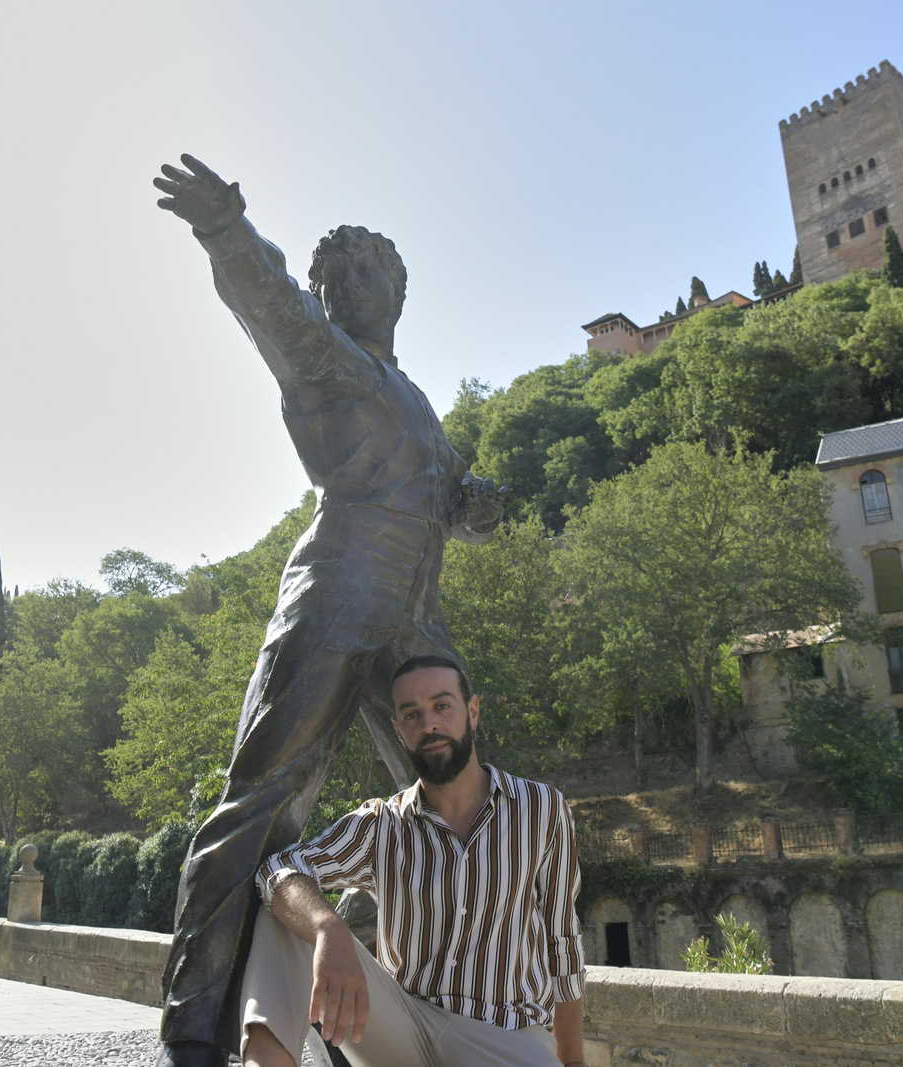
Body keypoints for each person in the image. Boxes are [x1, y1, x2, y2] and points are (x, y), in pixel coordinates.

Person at [150, 156, 508, 1066]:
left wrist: (476, 504)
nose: (355, 284)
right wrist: (226, 230)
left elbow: (449, 492)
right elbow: (267, 300)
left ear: (398, 289)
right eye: (338, 275)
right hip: (337, 596)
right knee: (257, 808)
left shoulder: (417, 401)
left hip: (413, 624)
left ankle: (456, 1001)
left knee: (463, 809)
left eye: (370, 270)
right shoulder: (326, 360)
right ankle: (192, 1031)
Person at [237, 656, 586, 1067]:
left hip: (502, 1035)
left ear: (472, 712)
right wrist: (329, 929)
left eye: (442, 706)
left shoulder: (541, 809)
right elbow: (280, 869)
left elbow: (561, 941)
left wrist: (574, 1060)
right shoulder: (382, 824)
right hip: (402, 1025)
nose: (430, 725)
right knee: (283, 911)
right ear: (398, 730)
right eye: (412, 714)